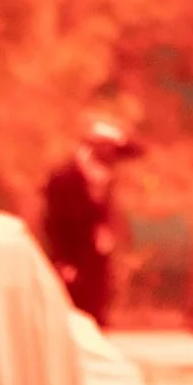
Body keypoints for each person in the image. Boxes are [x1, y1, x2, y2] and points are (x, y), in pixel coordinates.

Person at [39, 115, 136, 326]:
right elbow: (53, 225)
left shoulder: (104, 181)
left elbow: (103, 223)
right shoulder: (64, 180)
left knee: (95, 322)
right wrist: (63, 261)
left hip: (96, 268)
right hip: (70, 269)